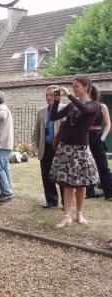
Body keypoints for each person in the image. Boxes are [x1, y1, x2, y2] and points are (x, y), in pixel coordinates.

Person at [49, 77, 100, 228]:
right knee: (67, 183)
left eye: (76, 87)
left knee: (81, 183)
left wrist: (69, 95)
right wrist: (57, 100)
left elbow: (85, 110)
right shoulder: (72, 105)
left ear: (87, 87)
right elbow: (54, 116)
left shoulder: (94, 104)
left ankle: (79, 214)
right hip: (66, 147)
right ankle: (66, 216)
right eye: (73, 87)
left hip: (80, 149)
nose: (74, 89)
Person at [31, 86, 66, 208]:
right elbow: (36, 130)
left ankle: (65, 202)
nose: (48, 97)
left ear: (57, 96)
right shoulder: (42, 111)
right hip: (45, 147)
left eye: (51, 95)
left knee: (61, 175)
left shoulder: (64, 109)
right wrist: (34, 145)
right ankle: (51, 201)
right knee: (46, 175)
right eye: (47, 95)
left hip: (59, 148)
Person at [86, 103, 112, 200]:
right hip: (84, 137)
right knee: (86, 166)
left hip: (98, 138)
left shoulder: (102, 106)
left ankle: (109, 193)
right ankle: (90, 192)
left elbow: (108, 124)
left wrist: (102, 138)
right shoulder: (82, 105)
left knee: (103, 166)